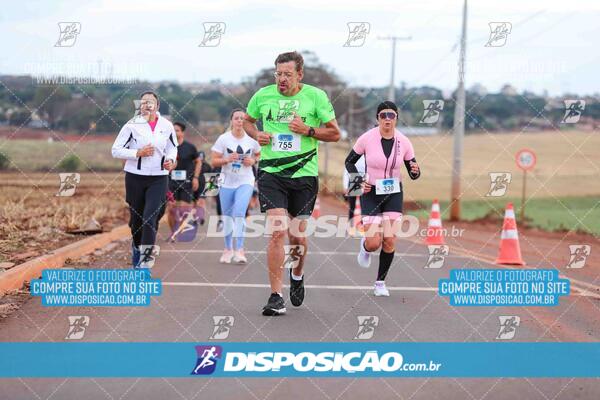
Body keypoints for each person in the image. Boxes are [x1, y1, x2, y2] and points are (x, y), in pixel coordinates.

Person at [243, 51, 340, 315]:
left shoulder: (316, 96)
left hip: (304, 175)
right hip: (271, 173)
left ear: (300, 74)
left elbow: (334, 132)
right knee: (277, 230)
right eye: (278, 74)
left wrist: (308, 130)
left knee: (298, 235)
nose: (282, 79)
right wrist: (257, 134)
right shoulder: (263, 96)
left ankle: (297, 274)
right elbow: (248, 122)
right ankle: (276, 295)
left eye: (287, 74)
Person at [344, 101, 421, 296]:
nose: (387, 119)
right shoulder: (367, 138)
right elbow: (349, 162)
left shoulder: (404, 141)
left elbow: (413, 171)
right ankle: (365, 246)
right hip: (371, 192)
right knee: (373, 243)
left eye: (391, 115)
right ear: (378, 118)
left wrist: (415, 171)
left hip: (394, 193)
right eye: (383, 115)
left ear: (396, 118)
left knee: (389, 240)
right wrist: (359, 182)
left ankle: (380, 283)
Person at [111, 90, 177, 269]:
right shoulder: (131, 125)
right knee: (137, 222)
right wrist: (137, 153)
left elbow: (172, 148)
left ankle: (145, 263)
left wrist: (171, 160)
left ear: (157, 106)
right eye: (143, 102)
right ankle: (137, 248)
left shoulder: (167, 125)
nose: (146, 105)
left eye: (150, 102)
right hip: (135, 178)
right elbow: (115, 150)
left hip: (159, 178)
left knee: (150, 218)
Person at [211, 109, 261, 264]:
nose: (240, 121)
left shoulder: (252, 141)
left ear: (245, 122)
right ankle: (228, 249)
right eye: (237, 118)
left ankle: (239, 249)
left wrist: (253, 161)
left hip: (245, 181)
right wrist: (226, 159)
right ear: (231, 121)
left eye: (242, 119)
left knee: (239, 213)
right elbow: (214, 161)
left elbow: (260, 155)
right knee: (227, 217)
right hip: (226, 181)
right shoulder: (223, 139)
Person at [166, 122, 201, 234]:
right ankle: (173, 232)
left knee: (184, 209)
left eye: (177, 130)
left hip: (186, 182)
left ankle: (180, 227)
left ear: (182, 132)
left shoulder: (190, 147)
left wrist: (196, 177)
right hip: (171, 181)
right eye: (173, 130)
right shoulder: (167, 146)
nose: (175, 132)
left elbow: (198, 162)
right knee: (171, 209)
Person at [342, 153, 366, 230]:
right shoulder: (355, 154)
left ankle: (363, 225)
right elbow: (346, 171)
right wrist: (346, 186)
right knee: (352, 205)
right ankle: (351, 224)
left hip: (365, 179)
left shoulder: (369, 154)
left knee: (364, 204)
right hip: (354, 179)